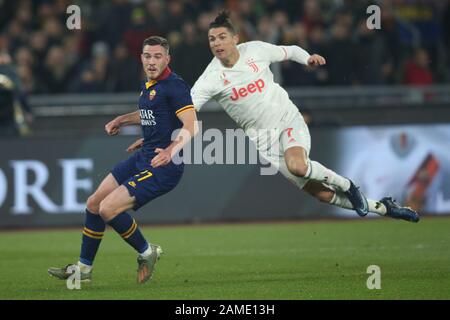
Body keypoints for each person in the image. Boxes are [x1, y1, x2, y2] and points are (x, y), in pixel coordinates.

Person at [190, 11, 419, 222]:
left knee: (298, 166)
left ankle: (349, 185)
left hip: (287, 119)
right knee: (323, 194)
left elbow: (290, 50)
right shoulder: (210, 78)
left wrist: (307, 58)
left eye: (222, 37)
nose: (217, 43)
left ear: (235, 39)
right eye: (212, 39)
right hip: (265, 142)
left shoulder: (256, 50)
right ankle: (384, 208)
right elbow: (187, 108)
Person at [48, 36, 198, 284]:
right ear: (141, 57)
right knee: (94, 203)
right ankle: (83, 270)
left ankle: (147, 251)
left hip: (164, 165)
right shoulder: (150, 83)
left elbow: (192, 125)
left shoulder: (175, 86)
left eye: (157, 56)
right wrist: (123, 120)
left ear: (167, 59)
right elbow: (152, 113)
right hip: (144, 154)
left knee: (108, 208)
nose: (151, 61)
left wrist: (171, 149)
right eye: (147, 56)